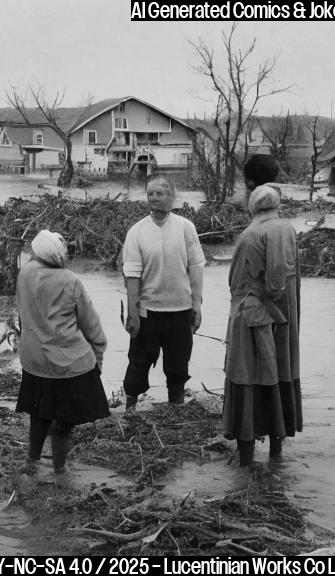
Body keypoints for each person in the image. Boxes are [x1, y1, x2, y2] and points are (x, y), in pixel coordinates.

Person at [223, 155, 301, 466]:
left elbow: (240, 284)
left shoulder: (251, 235)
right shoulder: (287, 228)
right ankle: (276, 460)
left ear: (253, 204)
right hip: (282, 320)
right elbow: (281, 281)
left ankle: (245, 466)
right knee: (278, 376)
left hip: (252, 318)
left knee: (246, 381)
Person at [15, 230, 110, 473]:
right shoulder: (70, 280)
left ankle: (32, 464)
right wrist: (98, 354)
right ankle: (60, 471)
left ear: (36, 252)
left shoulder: (24, 274)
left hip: (34, 362)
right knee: (64, 424)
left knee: (38, 416)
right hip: (69, 365)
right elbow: (90, 324)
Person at [121, 176, 206, 410]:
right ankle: (130, 407)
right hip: (148, 311)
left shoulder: (185, 227)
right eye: (151, 194)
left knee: (178, 365)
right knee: (138, 362)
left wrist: (196, 305)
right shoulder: (136, 232)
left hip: (180, 310)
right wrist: (132, 313)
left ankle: (176, 407)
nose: (155, 198)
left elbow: (196, 268)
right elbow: (132, 275)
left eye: (160, 194)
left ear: (172, 197)